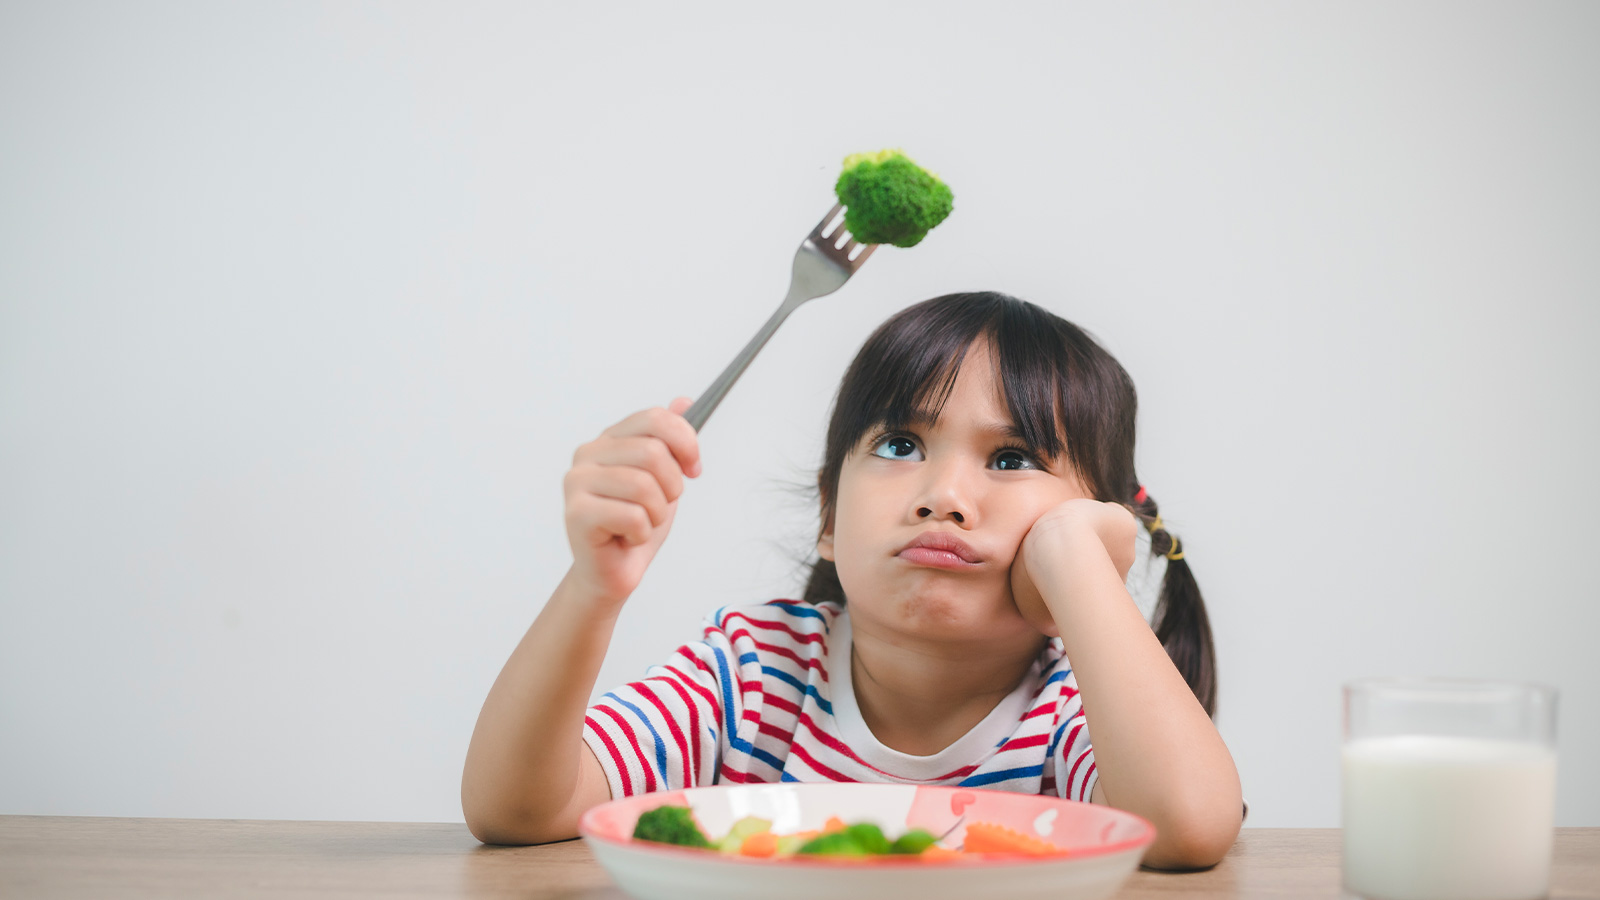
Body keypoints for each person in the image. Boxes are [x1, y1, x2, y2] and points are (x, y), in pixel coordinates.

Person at [461, 291, 1243, 869]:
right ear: (830, 516)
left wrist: (1078, 564)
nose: (944, 496)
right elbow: (518, 809)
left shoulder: (1075, 710)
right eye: (902, 445)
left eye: (1012, 460)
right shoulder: (753, 672)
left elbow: (1186, 828)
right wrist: (593, 590)